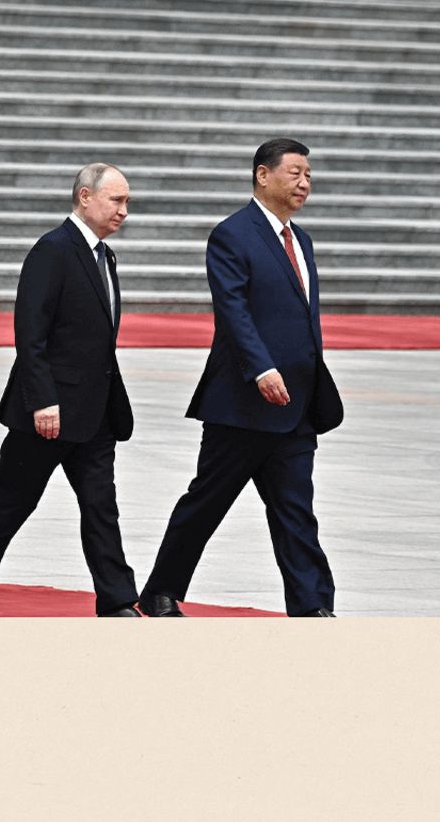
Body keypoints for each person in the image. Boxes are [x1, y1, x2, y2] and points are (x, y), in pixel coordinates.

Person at [139, 139, 344, 617]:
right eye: (294, 173)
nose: (304, 183)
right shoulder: (233, 234)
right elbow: (233, 312)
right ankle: (160, 591)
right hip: (243, 404)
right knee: (206, 503)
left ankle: (313, 606)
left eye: (309, 175)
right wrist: (261, 368)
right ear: (262, 175)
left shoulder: (302, 241)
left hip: (297, 405)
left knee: (296, 512)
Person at [0, 163, 143, 616]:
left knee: (101, 509)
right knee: (9, 509)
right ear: (85, 197)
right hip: (47, 416)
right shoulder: (53, 250)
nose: (124, 211)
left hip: (94, 415)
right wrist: (43, 400)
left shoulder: (104, 255)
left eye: (127, 202)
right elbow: (29, 333)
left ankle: (116, 600)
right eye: (116, 200)